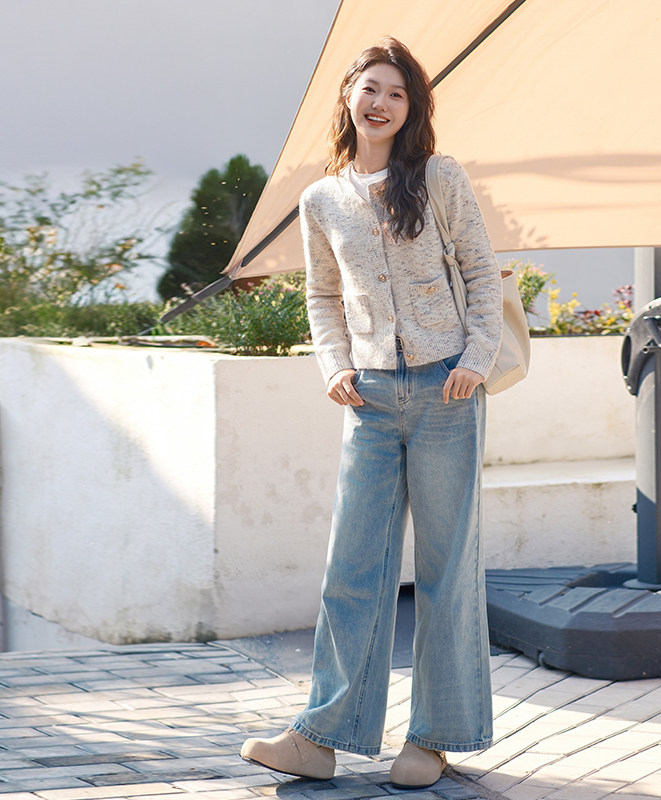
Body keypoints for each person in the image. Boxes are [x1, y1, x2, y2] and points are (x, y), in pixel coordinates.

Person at [241, 37, 502, 789]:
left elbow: (482, 272)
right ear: (349, 98)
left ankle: (435, 736)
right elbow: (322, 295)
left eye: (396, 92)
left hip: (448, 388)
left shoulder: (439, 178)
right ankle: (321, 737)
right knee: (351, 568)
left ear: (411, 107)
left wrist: (476, 359)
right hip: (371, 398)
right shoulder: (321, 199)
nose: (381, 103)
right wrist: (334, 365)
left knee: (447, 568)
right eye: (370, 89)